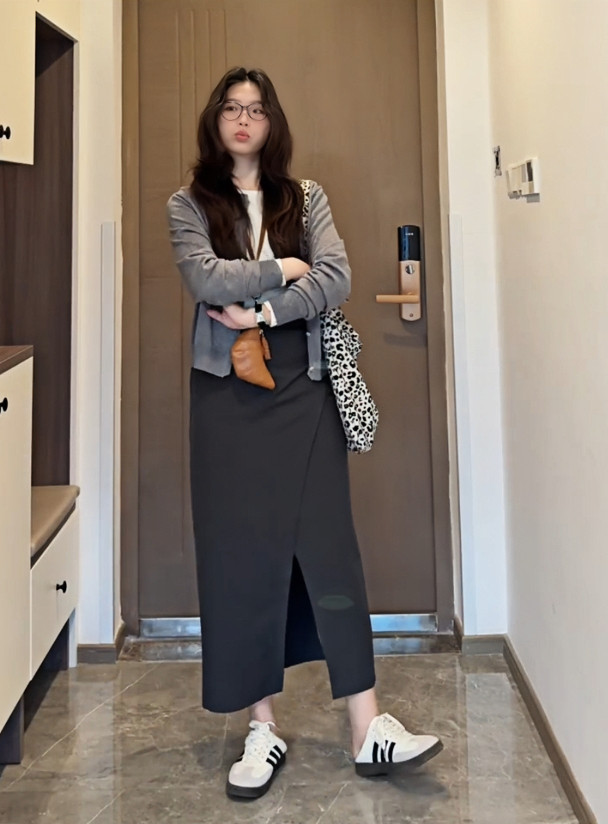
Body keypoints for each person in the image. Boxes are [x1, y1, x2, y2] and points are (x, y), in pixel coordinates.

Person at [166, 66, 442, 801]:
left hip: (304, 386)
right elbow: (205, 281)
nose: (244, 119)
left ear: (273, 121)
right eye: (232, 107)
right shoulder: (188, 203)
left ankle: (367, 725)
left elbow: (337, 277)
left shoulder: (306, 196)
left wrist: (263, 308)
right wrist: (284, 268)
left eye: (257, 109)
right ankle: (262, 727)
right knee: (240, 557)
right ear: (216, 120)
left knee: (330, 552)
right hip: (226, 399)